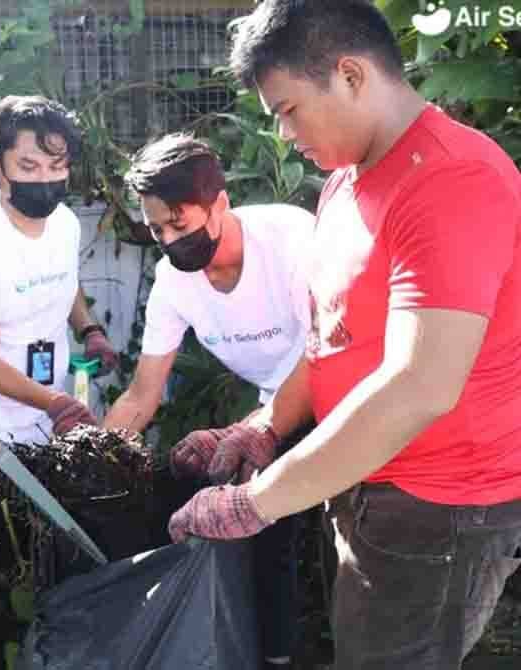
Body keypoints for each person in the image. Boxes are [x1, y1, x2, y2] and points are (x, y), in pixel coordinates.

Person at [168, 2, 521, 669]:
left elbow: (421, 385)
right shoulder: (345, 181)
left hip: (438, 508)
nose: (283, 132)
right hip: (365, 477)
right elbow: (332, 341)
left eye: (288, 110)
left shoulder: (451, 181)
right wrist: (266, 425)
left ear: (352, 75)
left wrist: (255, 502)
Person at [102, 132, 314, 669]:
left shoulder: (289, 240)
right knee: (204, 492)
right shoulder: (175, 284)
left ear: (219, 203)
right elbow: (142, 393)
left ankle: (283, 651)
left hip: (341, 387)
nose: (171, 240)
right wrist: (97, 455)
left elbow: (328, 354)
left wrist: (258, 430)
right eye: (157, 229)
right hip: (274, 409)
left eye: (181, 222)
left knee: (274, 523)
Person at [0, 95, 118, 578]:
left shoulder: (62, 224)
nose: (44, 180)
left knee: (51, 556)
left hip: (46, 419)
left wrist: (90, 329)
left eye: (57, 166)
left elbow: (65, 281)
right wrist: (55, 403)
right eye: (28, 166)